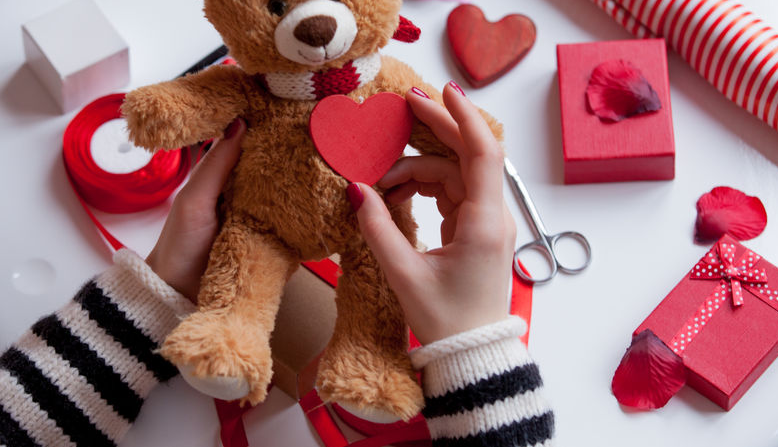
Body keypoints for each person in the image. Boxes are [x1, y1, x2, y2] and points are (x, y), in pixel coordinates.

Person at [0, 82, 555, 447]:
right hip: (259, 225)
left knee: (373, 281)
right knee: (251, 256)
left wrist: (149, 302)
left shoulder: (384, 85)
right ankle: (226, 342)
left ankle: (372, 371)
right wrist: (475, 343)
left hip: (360, 224)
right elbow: (183, 104)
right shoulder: (253, 87)